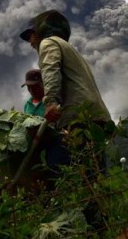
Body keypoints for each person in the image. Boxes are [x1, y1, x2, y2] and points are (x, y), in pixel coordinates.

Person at [19, 10, 111, 168]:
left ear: (39, 31)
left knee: (59, 171)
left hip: (76, 119)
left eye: (30, 35)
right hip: (96, 118)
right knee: (94, 171)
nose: (30, 41)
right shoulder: (69, 49)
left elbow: (50, 69)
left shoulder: (48, 43)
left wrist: (51, 102)